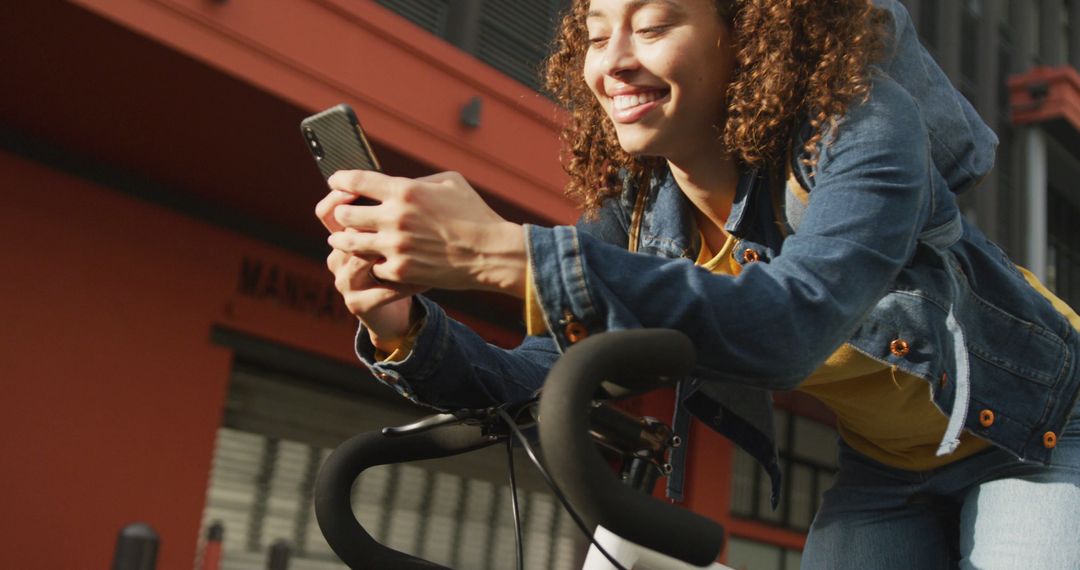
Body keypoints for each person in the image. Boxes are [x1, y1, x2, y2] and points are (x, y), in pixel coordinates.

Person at [315, 0, 1080, 567]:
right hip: (891, 463)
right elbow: (540, 379)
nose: (612, 61)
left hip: (1038, 428)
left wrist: (507, 253)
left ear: (745, 35)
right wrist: (404, 329)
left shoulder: (863, 126)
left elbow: (792, 321)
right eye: (594, 34)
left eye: (650, 28)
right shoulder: (643, 209)